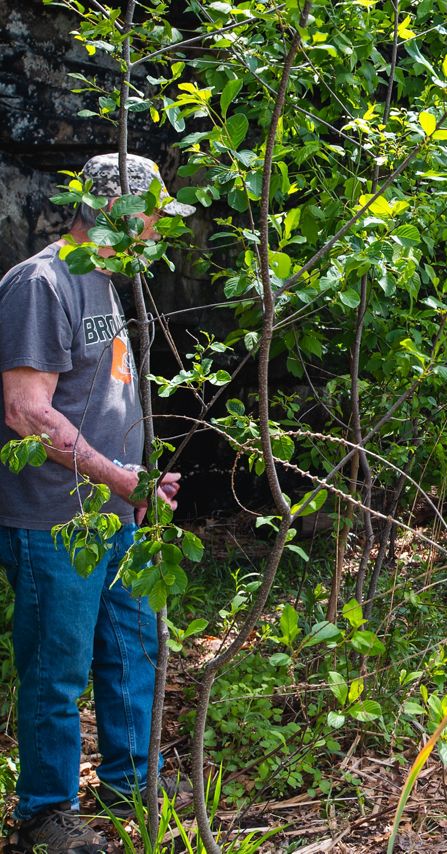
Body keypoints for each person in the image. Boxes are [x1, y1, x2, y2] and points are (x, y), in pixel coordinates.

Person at [0, 153, 191, 853]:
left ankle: (128, 777)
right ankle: (44, 814)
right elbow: (27, 413)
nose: (158, 233)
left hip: (113, 510)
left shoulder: (105, 282)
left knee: (130, 649)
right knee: (57, 667)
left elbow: (100, 396)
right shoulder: (43, 282)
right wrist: (117, 476)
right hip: (54, 519)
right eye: (151, 219)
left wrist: (137, 482)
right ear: (114, 212)